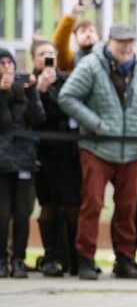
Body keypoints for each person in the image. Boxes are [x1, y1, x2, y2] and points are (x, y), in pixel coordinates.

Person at [59, 23, 137, 280]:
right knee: (92, 203)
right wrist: (94, 123)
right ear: (109, 42)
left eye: (130, 42)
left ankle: (125, 260)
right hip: (97, 147)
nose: (126, 47)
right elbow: (67, 96)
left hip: (132, 148)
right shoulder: (91, 65)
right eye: (121, 42)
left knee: (128, 206)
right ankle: (85, 259)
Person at [30, 39, 81, 277]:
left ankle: (73, 257)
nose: (46, 57)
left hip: (69, 154)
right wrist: (39, 90)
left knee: (72, 205)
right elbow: (33, 118)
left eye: (51, 53)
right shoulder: (29, 84)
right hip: (44, 155)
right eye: (42, 54)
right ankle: (51, 256)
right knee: (48, 205)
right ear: (34, 59)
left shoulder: (68, 82)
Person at [0, 47, 45, 278]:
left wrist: (33, 90)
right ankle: (1, 260)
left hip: (25, 160)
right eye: (2, 62)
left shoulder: (24, 92)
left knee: (21, 212)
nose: (7, 66)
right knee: (2, 212)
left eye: (10, 62)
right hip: (2, 163)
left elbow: (38, 118)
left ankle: (19, 258)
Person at [51, 0, 100, 71]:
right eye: (83, 31)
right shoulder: (71, 61)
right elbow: (59, 43)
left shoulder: (107, 58)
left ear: (98, 36)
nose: (88, 34)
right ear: (76, 39)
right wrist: (73, 11)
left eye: (91, 30)